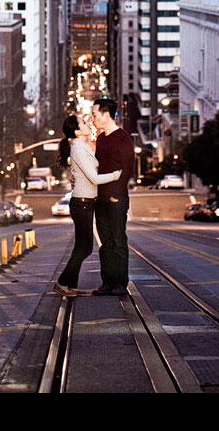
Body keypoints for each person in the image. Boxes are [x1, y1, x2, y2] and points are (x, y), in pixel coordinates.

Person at [54, 112, 122, 298]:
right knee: (84, 247)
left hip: (85, 203)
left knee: (81, 246)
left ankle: (70, 285)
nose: (87, 123)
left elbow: (91, 170)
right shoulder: (78, 149)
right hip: (82, 204)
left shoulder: (82, 146)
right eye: (83, 122)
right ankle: (62, 282)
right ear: (77, 132)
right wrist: (117, 174)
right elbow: (94, 178)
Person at [91, 97, 135, 296]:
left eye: (95, 114)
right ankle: (107, 283)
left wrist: (116, 194)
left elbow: (127, 170)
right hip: (100, 198)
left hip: (116, 199)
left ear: (106, 114)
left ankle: (120, 284)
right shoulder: (100, 138)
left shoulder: (123, 138)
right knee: (105, 243)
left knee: (118, 241)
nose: (93, 119)